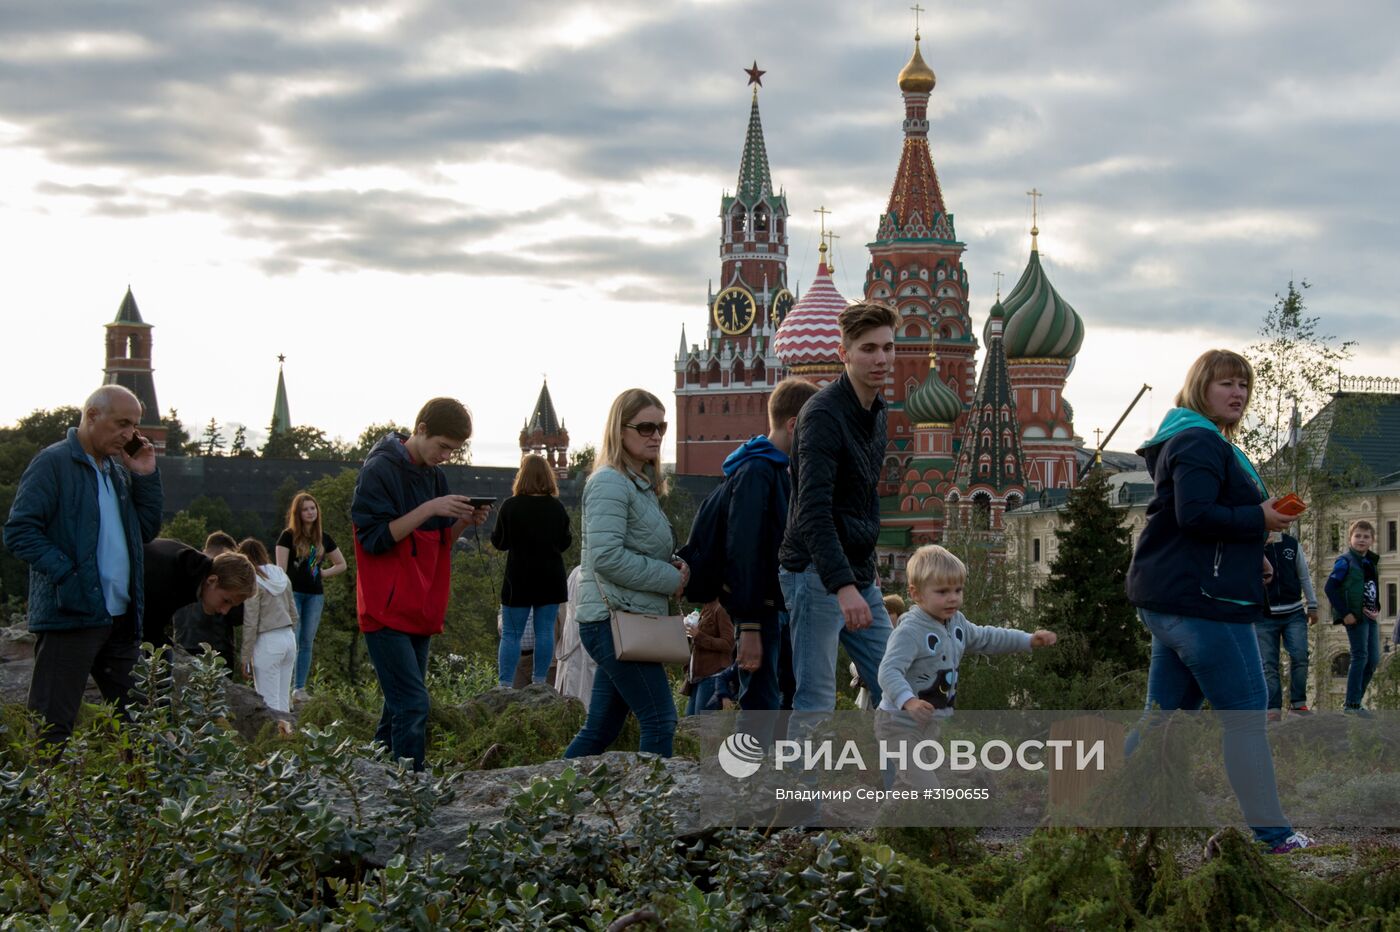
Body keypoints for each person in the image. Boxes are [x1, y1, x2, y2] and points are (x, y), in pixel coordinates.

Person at [1125, 348, 1313, 854]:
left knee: (1164, 719)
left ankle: (1098, 808)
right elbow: (1195, 515)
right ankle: (1275, 836)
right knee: (1247, 715)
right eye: (1226, 383)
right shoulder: (1198, 441)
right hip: (1204, 605)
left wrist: (1252, 555)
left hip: (1178, 598)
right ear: (1200, 388)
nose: (1238, 393)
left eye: (1244, 386)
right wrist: (1261, 520)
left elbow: (1196, 527)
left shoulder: (1189, 438)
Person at [3, 385, 162, 746]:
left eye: (134, 426)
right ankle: (40, 801)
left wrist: (146, 475)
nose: (129, 435)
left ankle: (136, 801)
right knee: (51, 727)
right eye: (122, 424)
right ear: (92, 415)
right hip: (71, 614)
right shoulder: (53, 462)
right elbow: (19, 531)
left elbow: (146, 531)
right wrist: (68, 576)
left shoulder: (119, 470)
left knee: (142, 722)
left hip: (119, 619)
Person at [351, 398, 489, 772]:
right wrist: (431, 508)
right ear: (421, 429)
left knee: (397, 705)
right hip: (386, 608)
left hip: (419, 605)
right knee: (413, 703)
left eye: (454, 451)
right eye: (443, 446)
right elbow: (374, 538)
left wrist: (463, 521)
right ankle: (411, 788)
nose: (446, 456)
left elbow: (436, 541)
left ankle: (370, 778)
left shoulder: (433, 475)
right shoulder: (379, 469)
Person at [778, 303, 899, 713]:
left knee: (898, 685)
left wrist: (867, 574)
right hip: (814, 572)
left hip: (856, 572)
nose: (880, 358)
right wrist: (843, 586)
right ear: (844, 351)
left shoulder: (877, 411)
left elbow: (863, 500)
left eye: (887, 347)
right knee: (816, 698)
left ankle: (899, 780)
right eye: (868, 348)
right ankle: (799, 780)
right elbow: (813, 510)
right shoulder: (823, 414)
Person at [564, 389, 687, 759]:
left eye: (661, 427)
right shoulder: (610, 483)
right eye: (646, 427)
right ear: (620, 430)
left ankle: (550, 803)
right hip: (613, 619)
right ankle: (653, 812)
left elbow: (639, 546)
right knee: (660, 720)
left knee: (601, 728)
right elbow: (606, 557)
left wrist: (677, 564)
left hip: (626, 617)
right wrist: (671, 579)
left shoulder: (639, 484)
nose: (656, 435)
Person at [876, 546, 1056, 788]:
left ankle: (899, 823)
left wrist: (1028, 639)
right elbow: (888, 671)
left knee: (922, 781)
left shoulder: (956, 622)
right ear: (916, 594)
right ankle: (914, 822)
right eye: (942, 591)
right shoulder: (910, 631)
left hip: (929, 723)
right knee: (925, 786)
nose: (953, 598)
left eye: (958, 590)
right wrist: (909, 701)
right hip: (898, 723)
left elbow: (988, 637)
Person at [718, 378, 821, 712]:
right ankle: (754, 764)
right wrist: (748, 626)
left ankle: (779, 763)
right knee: (760, 701)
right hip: (760, 611)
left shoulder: (781, 471)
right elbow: (744, 553)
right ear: (794, 425)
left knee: (784, 695)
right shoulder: (756, 471)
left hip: (778, 607)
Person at [491, 453, 572, 687]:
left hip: (519, 578)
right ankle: (539, 683)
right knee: (545, 631)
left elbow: (500, 542)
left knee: (511, 634)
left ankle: (504, 685)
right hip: (550, 578)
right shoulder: (556, 507)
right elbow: (565, 542)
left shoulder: (510, 506)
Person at [275, 492, 347, 701]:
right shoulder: (288, 536)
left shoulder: (323, 538)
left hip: (315, 595)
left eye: (313, 508)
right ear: (298, 513)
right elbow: (281, 569)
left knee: (307, 641)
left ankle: (299, 688)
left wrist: (324, 573)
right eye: (305, 509)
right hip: (293, 593)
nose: (310, 512)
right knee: (292, 640)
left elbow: (342, 564)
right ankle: (284, 687)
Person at [1257, 529, 1318, 720]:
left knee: (1300, 656)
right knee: (1269, 664)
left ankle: (1298, 704)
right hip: (1264, 615)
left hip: (1294, 612)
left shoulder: (1292, 543)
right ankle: (1273, 708)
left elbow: (1304, 576)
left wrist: (1313, 604)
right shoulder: (1253, 543)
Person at [168, 551, 260, 672]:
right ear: (211, 581)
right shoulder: (171, 580)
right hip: (218, 651)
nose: (225, 611)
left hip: (182, 646)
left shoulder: (183, 581)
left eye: (233, 606)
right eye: (226, 601)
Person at [1325, 519, 1381, 717]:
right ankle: (1351, 704)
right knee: (1360, 656)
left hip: (1370, 617)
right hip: (1355, 618)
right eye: (1357, 536)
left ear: (1372, 540)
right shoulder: (1345, 561)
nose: (1361, 540)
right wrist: (1345, 613)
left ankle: (1356, 701)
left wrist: (1377, 607)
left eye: (1366, 537)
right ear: (1350, 538)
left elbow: (1372, 588)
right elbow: (1330, 588)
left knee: (1374, 659)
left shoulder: (1370, 562)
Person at [236, 538, 299, 712]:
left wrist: (245, 657)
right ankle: (289, 737)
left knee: (269, 703)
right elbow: (294, 613)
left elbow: (251, 622)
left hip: (267, 640)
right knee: (283, 700)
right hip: (288, 638)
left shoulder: (253, 581)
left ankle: (276, 737)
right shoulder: (281, 574)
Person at [854, 594, 907, 711]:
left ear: (898, 614)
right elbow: (854, 664)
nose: (884, 616)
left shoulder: (904, 637)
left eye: (888, 613)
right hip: (868, 698)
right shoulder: (874, 635)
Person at [554, 566, 597, 703]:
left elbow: (563, 613)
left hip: (574, 641)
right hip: (582, 641)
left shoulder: (575, 573)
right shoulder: (580, 573)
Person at [684, 601, 735, 714]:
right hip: (697, 678)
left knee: (703, 726)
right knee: (691, 725)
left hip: (713, 676)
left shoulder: (721, 608)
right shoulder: (705, 608)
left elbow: (728, 644)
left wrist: (699, 636)